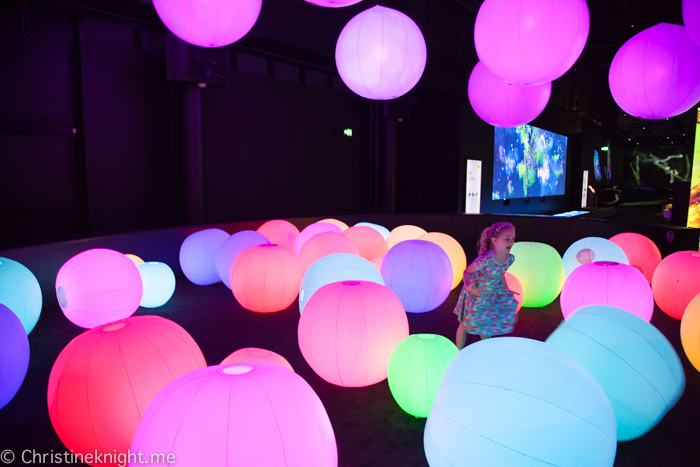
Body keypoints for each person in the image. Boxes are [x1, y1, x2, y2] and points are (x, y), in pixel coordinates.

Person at [454, 221, 519, 349]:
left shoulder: (510, 259)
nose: (511, 242)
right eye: (507, 239)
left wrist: (507, 291)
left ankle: (485, 350)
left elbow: (500, 274)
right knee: (465, 324)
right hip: (475, 293)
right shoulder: (486, 259)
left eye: (513, 239)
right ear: (494, 241)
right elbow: (467, 272)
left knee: (485, 325)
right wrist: (469, 287)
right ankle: (458, 351)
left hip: (490, 295)